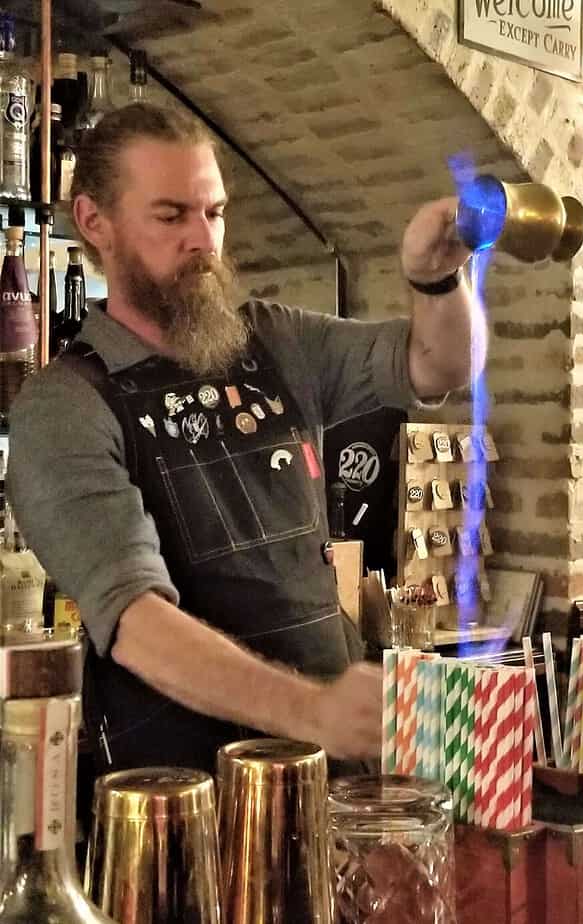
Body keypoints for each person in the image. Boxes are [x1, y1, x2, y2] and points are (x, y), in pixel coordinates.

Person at [7, 103, 484, 776]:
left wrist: (436, 280)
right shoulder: (62, 407)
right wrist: (311, 710)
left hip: (330, 774)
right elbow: (136, 621)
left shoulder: (277, 341)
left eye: (215, 212)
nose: (202, 240)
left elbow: (442, 364)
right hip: (182, 802)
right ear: (95, 223)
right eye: (171, 216)